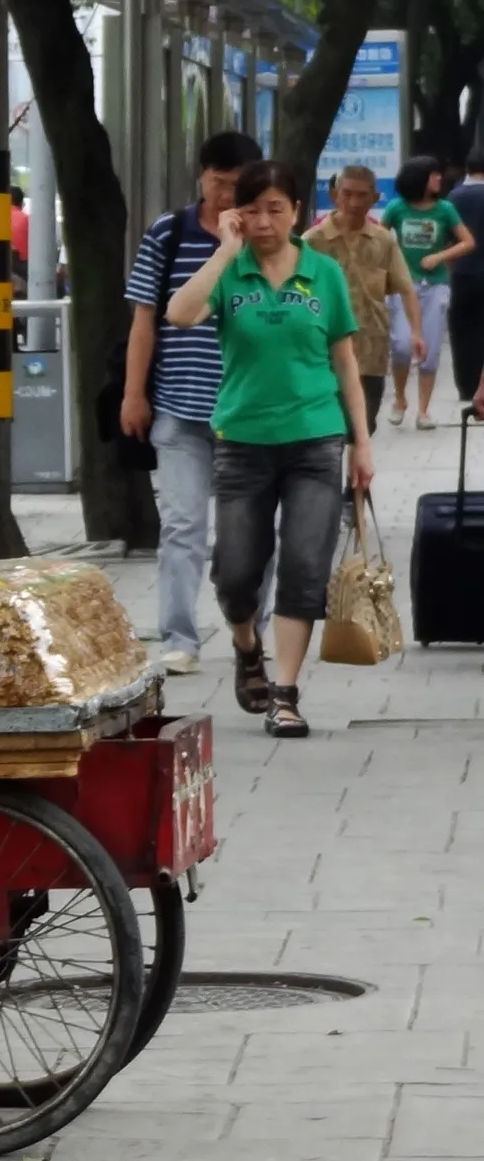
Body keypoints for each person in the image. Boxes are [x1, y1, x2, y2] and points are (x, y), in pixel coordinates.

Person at [166, 158, 373, 740]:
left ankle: (285, 693)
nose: (263, 221)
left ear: (297, 213)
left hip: (315, 439)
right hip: (242, 443)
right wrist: (224, 252)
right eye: (252, 209)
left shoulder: (324, 274)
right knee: (235, 575)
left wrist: (362, 443)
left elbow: (345, 362)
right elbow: (179, 314)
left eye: (275, 209)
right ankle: (246, 646)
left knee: (305, 568)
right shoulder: (230, 273)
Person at [119, 127, 265, 674]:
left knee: (249, 535)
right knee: (182, 528)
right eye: (217, 182)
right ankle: (179, 637)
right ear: (201, 175)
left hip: (250, 414)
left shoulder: (266, 240)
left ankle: (253, 631)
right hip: (179, 409)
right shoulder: (169, 233)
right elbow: (143, 321)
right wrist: (136, 393)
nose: (225, 196)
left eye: (236, 186)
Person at [304, 162, 422, 446]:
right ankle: (328, 488)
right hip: (322, 355)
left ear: (375, 198)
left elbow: (405, 288)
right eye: (347, 194)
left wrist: (416, 332)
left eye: (362, 195)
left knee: (363, 431)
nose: (354, 202)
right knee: (326, 434)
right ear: (334, 195)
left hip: (370, 353)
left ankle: (356, 491)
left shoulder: (383, 241)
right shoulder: (312, 242)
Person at [383, 154, 475, 429]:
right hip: (403, 284)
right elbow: (378, 237)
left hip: (435, 285)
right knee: (401, 345)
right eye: (434, 174)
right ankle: (400, 399)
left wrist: (440, 257)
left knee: (430, 350)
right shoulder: (397, 208)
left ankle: (423, 410)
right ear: (419, 178)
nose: (439, 179)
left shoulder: (445, 209)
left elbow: (468, 242)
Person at [445, 148, 484, 401]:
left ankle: (466, 387)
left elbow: (446, 240)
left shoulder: (452, 198)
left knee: (461, 331)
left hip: (460, 274)